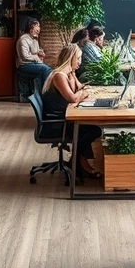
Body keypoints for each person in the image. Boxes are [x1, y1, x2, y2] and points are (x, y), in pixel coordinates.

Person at [42, 44, 102, 177]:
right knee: (93, 130)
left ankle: (77, 161)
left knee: (91, 128)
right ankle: (78, 162)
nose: (80, 61)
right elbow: (73, 98)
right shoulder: (59, 76)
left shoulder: (69, 73)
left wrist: (81, 85)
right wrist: (82, 93)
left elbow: (80, 88)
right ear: (71, 58)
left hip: (65, 117)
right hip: (57, 123)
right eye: (78, 58)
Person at [16, 18, 52, 87]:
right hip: (24, 65)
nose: (38, 29)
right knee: (46, 69)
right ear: (30, 28)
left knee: (48, 70)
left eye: (39, 26)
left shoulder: (34, 38)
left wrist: (40, 53)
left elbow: (36, 51)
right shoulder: (23, 39)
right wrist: (37, 58)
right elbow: (25, 56)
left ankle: (42, 90)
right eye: (36, 26)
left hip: (33, 63)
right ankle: (44, 91)